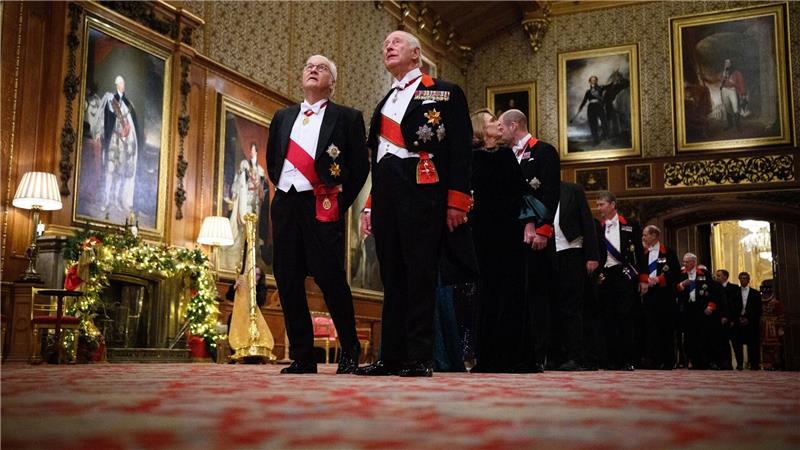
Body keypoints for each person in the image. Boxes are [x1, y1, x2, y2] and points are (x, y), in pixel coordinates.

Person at [357, 31, 472, 377]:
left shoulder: (444, 92)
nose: (387, 45)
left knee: (420, 274)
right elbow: (380, 158)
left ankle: (419, 357)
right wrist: (369, 206)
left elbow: (461, 149)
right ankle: (390, 356)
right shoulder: (385, 102)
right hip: (388, 192)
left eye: (396, 42)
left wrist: (457, 201)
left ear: (416, 54)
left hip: (424, 188)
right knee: (391, 276)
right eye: (385, 43)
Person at [265, 54, 369, 374]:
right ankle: (303, 355)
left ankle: (349, 350)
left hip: (323, 206)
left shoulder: (348, 117)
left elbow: (360, 168)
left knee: (331, 279)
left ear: (332, 83)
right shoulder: (283, 116)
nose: (312, 69)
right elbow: (273, 160)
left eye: (321, 67)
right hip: (286, 205)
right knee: (288, 279)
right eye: (308, 65)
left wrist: (339, 204)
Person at [499, 108, 560, 373]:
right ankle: (515, 351)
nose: (500, 132)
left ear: (514, 126)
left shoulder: (544, 151)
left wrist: (543, 228)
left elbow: (550, 192)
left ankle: (538, 354)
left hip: (536, 235)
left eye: (502, 127)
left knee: (536, 294)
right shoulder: (505, 156)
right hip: (510, 236)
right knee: (514, 294)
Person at [467, 108, 526, 373]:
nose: (498, 124)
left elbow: (519, 191)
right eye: (492, 121)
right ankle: (486, 356)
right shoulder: (470, 159)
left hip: (509, 232)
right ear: (481, 129)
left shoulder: (506, 155)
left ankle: (511, 356)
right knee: (486, 293)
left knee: (510, 291)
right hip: (481, 233)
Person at [549, 181, 599, 371]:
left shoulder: (573, 189)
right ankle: (555, 355)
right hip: (549, 253)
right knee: (552, 306)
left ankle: (575, 356)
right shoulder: (540, 189)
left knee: (571, 306)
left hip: (572, 251)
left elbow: (587, 222)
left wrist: (592, 256)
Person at [596, 191, 647, 371]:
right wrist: (598, 273)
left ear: (612, 204)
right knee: (608, 317)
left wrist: (643, 278)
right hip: (607, 275)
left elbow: (639, 254)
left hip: (626, 274)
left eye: (601, 204)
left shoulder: (630, 225)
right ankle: (611, 360)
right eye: (598, 204)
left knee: (626, 317)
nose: (599, 208)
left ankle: (628, 359)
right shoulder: (599, 227)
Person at [640, 225, 680, 370]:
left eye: (645, 235)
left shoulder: (668, 252)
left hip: (664, 296)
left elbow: (676, 273)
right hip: (648, 295)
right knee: (650, 328)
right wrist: (644, 280)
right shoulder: (642, 253)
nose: (643, 238)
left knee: (666, 328)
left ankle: (668, 361)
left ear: (654, 236)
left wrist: (659, 280)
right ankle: (652, 360)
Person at [676, 253, 724, 369]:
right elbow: (675, 289)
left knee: (703, 335)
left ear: (693, 262)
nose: (684, 264)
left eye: (686, 262)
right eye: (684, 262)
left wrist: (711, 306)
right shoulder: (681, 274)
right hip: (687, 308)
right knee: (689, 337)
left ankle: (705, 361)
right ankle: (691, 360)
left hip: (701, 308)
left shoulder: (704, 274)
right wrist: (682, 284)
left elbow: (713, 291)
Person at [100, 75, 139, 216]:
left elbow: (131, 126)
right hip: (113, 141)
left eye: (124, 84)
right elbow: (107, 120)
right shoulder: (111, 100)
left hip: (123, 143)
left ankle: (116, 199)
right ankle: (106, 200)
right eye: (121, 84)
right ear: (117, 85)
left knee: (119, 173)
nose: (123, 86)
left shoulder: (128, 104)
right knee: (109, 171)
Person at [730, 271, 761, 370]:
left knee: (752, 344)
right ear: (739, 280)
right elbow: (732, 308)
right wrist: (737, 318)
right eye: (741, 278)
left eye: (745, 278)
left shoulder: (755, 293)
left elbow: (758, 309)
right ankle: (740, 364)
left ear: (748, 280)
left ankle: (754, 364)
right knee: (737, 344)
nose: (743, 280)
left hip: (751, 322)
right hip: (738, 321)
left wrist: (748, 319)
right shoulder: (734, 293)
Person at [715, 268, 740, 369]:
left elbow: (736, 305)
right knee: (722, 342)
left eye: (719, 276)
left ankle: (739, 363)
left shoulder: (734, 288)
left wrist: (732, 319)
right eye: (716, 276)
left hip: (731, 319)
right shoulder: (716, 287)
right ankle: (724, 363)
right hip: (719, 319)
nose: (717, 278)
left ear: (725, 276)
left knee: (735, 343)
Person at [759, 279, 784, 370]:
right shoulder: (759, 302)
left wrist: (780, 327)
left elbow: (780, 315)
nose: (765, 295)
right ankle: (766, 365)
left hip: (773, 327)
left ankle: (775, 364)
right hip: (762, 326)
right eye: (763, 293)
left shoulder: (775, 303)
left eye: (767, 293)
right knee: (764, 347)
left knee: (774, 347)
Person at [573, 75, 606, 145]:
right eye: (592, 80)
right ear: (590, 82)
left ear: (596, 81)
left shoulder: (600, 88)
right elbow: (584, 101)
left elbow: (608, 86)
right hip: (591, 107)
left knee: (603, 121)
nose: (593, 81)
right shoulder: (588, 91)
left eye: (594, 80)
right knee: (593, 124)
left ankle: (604, 136)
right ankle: (596, 140)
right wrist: (580, 108)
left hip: (599, 106)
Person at [719, 58, 746, 131]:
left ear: (731, 64)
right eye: (725, 63)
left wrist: (742, 93)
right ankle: (730, 125)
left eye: (728, 63)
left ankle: (738, 126)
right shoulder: (724, 72)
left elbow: (741, 83)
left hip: (732, 90)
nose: (726, 64)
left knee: (735, 108)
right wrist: (724, 76)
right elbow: (721, 83)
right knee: (727, 108)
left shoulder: (736, 73)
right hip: (724, 90)